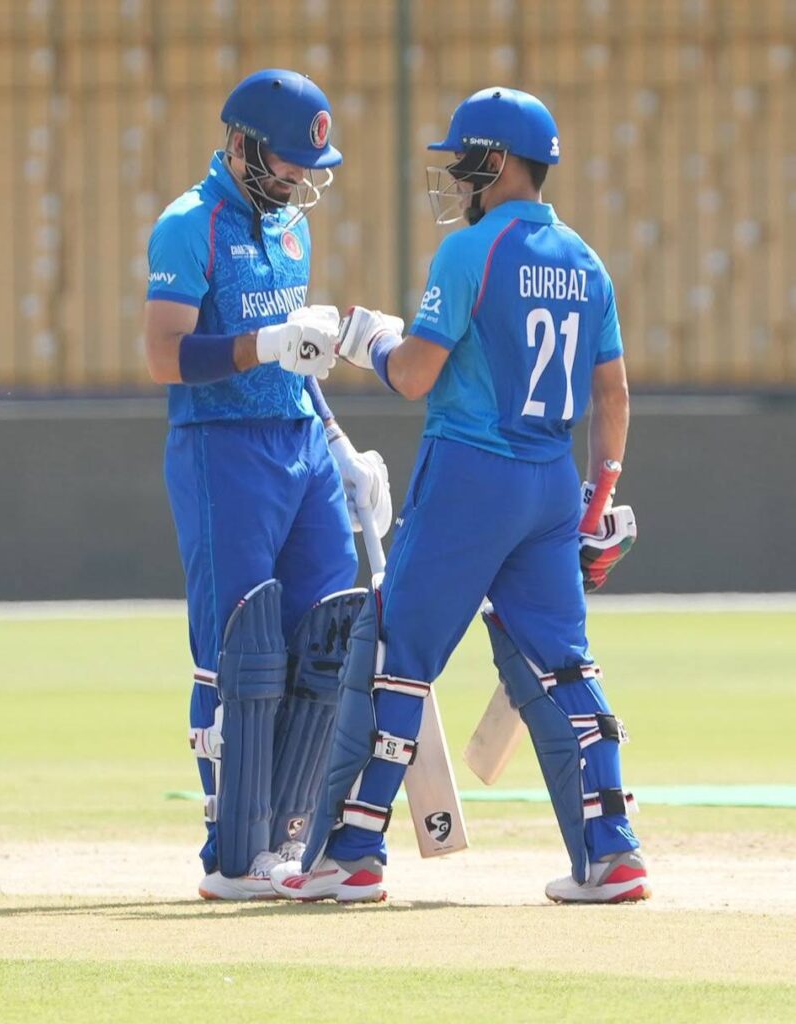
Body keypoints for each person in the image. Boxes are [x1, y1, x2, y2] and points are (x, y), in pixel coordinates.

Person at [272, 86, 648, 904]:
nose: (457, 176)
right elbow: (612, 397)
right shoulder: (585, 259)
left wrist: (369, 340)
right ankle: (611, 853)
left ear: (498, 161)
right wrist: (596, 503)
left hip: (470, 473)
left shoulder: (470, 252)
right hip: (550, 484)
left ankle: (352, 854)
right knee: (563, 668)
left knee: (394, 657)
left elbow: (412, 377)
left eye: (465, 159)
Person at [143, 68, 392, 901]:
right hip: (223, 448)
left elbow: (303, 364)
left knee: (327, 635)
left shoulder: (291, 230)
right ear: (242, 143)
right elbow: (164, 355)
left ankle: (291, 840)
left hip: (299, 442)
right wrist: (261, 343)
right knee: (238, 647)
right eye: (285, 162)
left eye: (307, 165)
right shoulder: (189, 224)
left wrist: (340, 445)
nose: (298, 179)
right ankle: (229, 850)